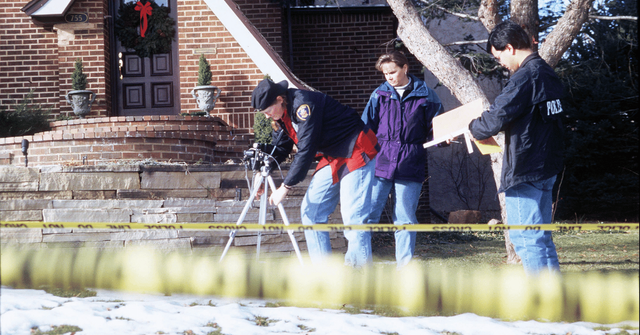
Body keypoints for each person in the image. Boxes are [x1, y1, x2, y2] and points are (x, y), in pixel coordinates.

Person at [467, 21, 565, 275]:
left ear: (510, 48)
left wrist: (471, 127)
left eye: (499, 56)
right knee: (540, 237)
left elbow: (495, 118)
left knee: (526, 239)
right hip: (546, 165)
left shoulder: (525, 77)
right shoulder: (547, 73)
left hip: (525, 167)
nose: (500, 63)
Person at [251, 78, 379, 267]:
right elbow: (282, 146)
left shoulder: (303, 105)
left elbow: (306, 149)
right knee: (311, 212)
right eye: (264, 113)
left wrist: (285, 186)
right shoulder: (282, 114)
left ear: (279, 99)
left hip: (355, 147)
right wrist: (263, 171)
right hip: (333, 154)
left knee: (354, 217)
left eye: (268, 111)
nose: (267, 116)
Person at [361, 51, 443, 267]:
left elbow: (438, 127)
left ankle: (404, 267)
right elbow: (365, 128)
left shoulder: (427, 95)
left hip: (411, 163)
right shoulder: (379, 95)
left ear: (405, 68)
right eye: (385, 73)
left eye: (393, 71)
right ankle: (359, 263)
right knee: (368, 216)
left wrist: (442, 138)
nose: (388, 76)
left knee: (405, 218)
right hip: (380, 164)